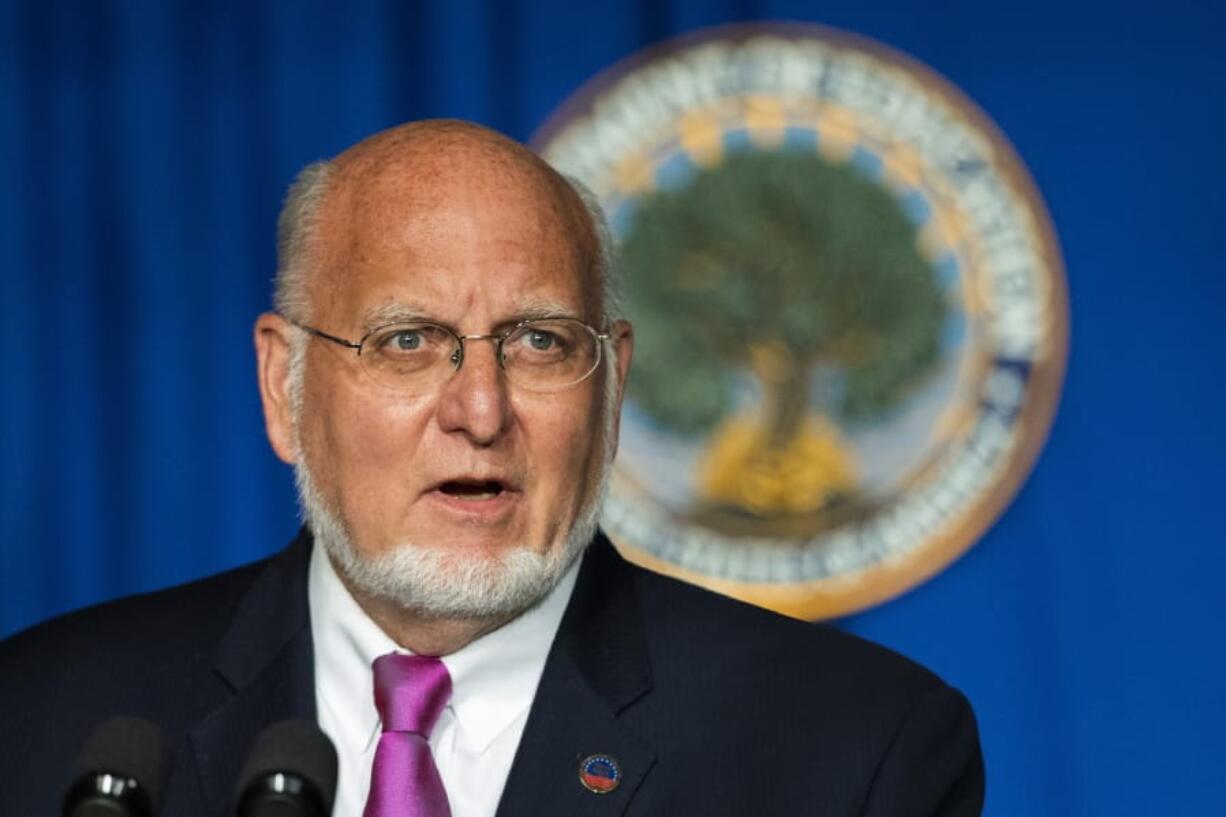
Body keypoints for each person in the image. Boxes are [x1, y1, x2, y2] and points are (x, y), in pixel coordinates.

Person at [0, 120, 984, 816]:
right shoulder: (44, 719)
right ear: (282, 386)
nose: (480, 409)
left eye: (541, 342)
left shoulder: (851, 750)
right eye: (407, 340)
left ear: (610, 386)